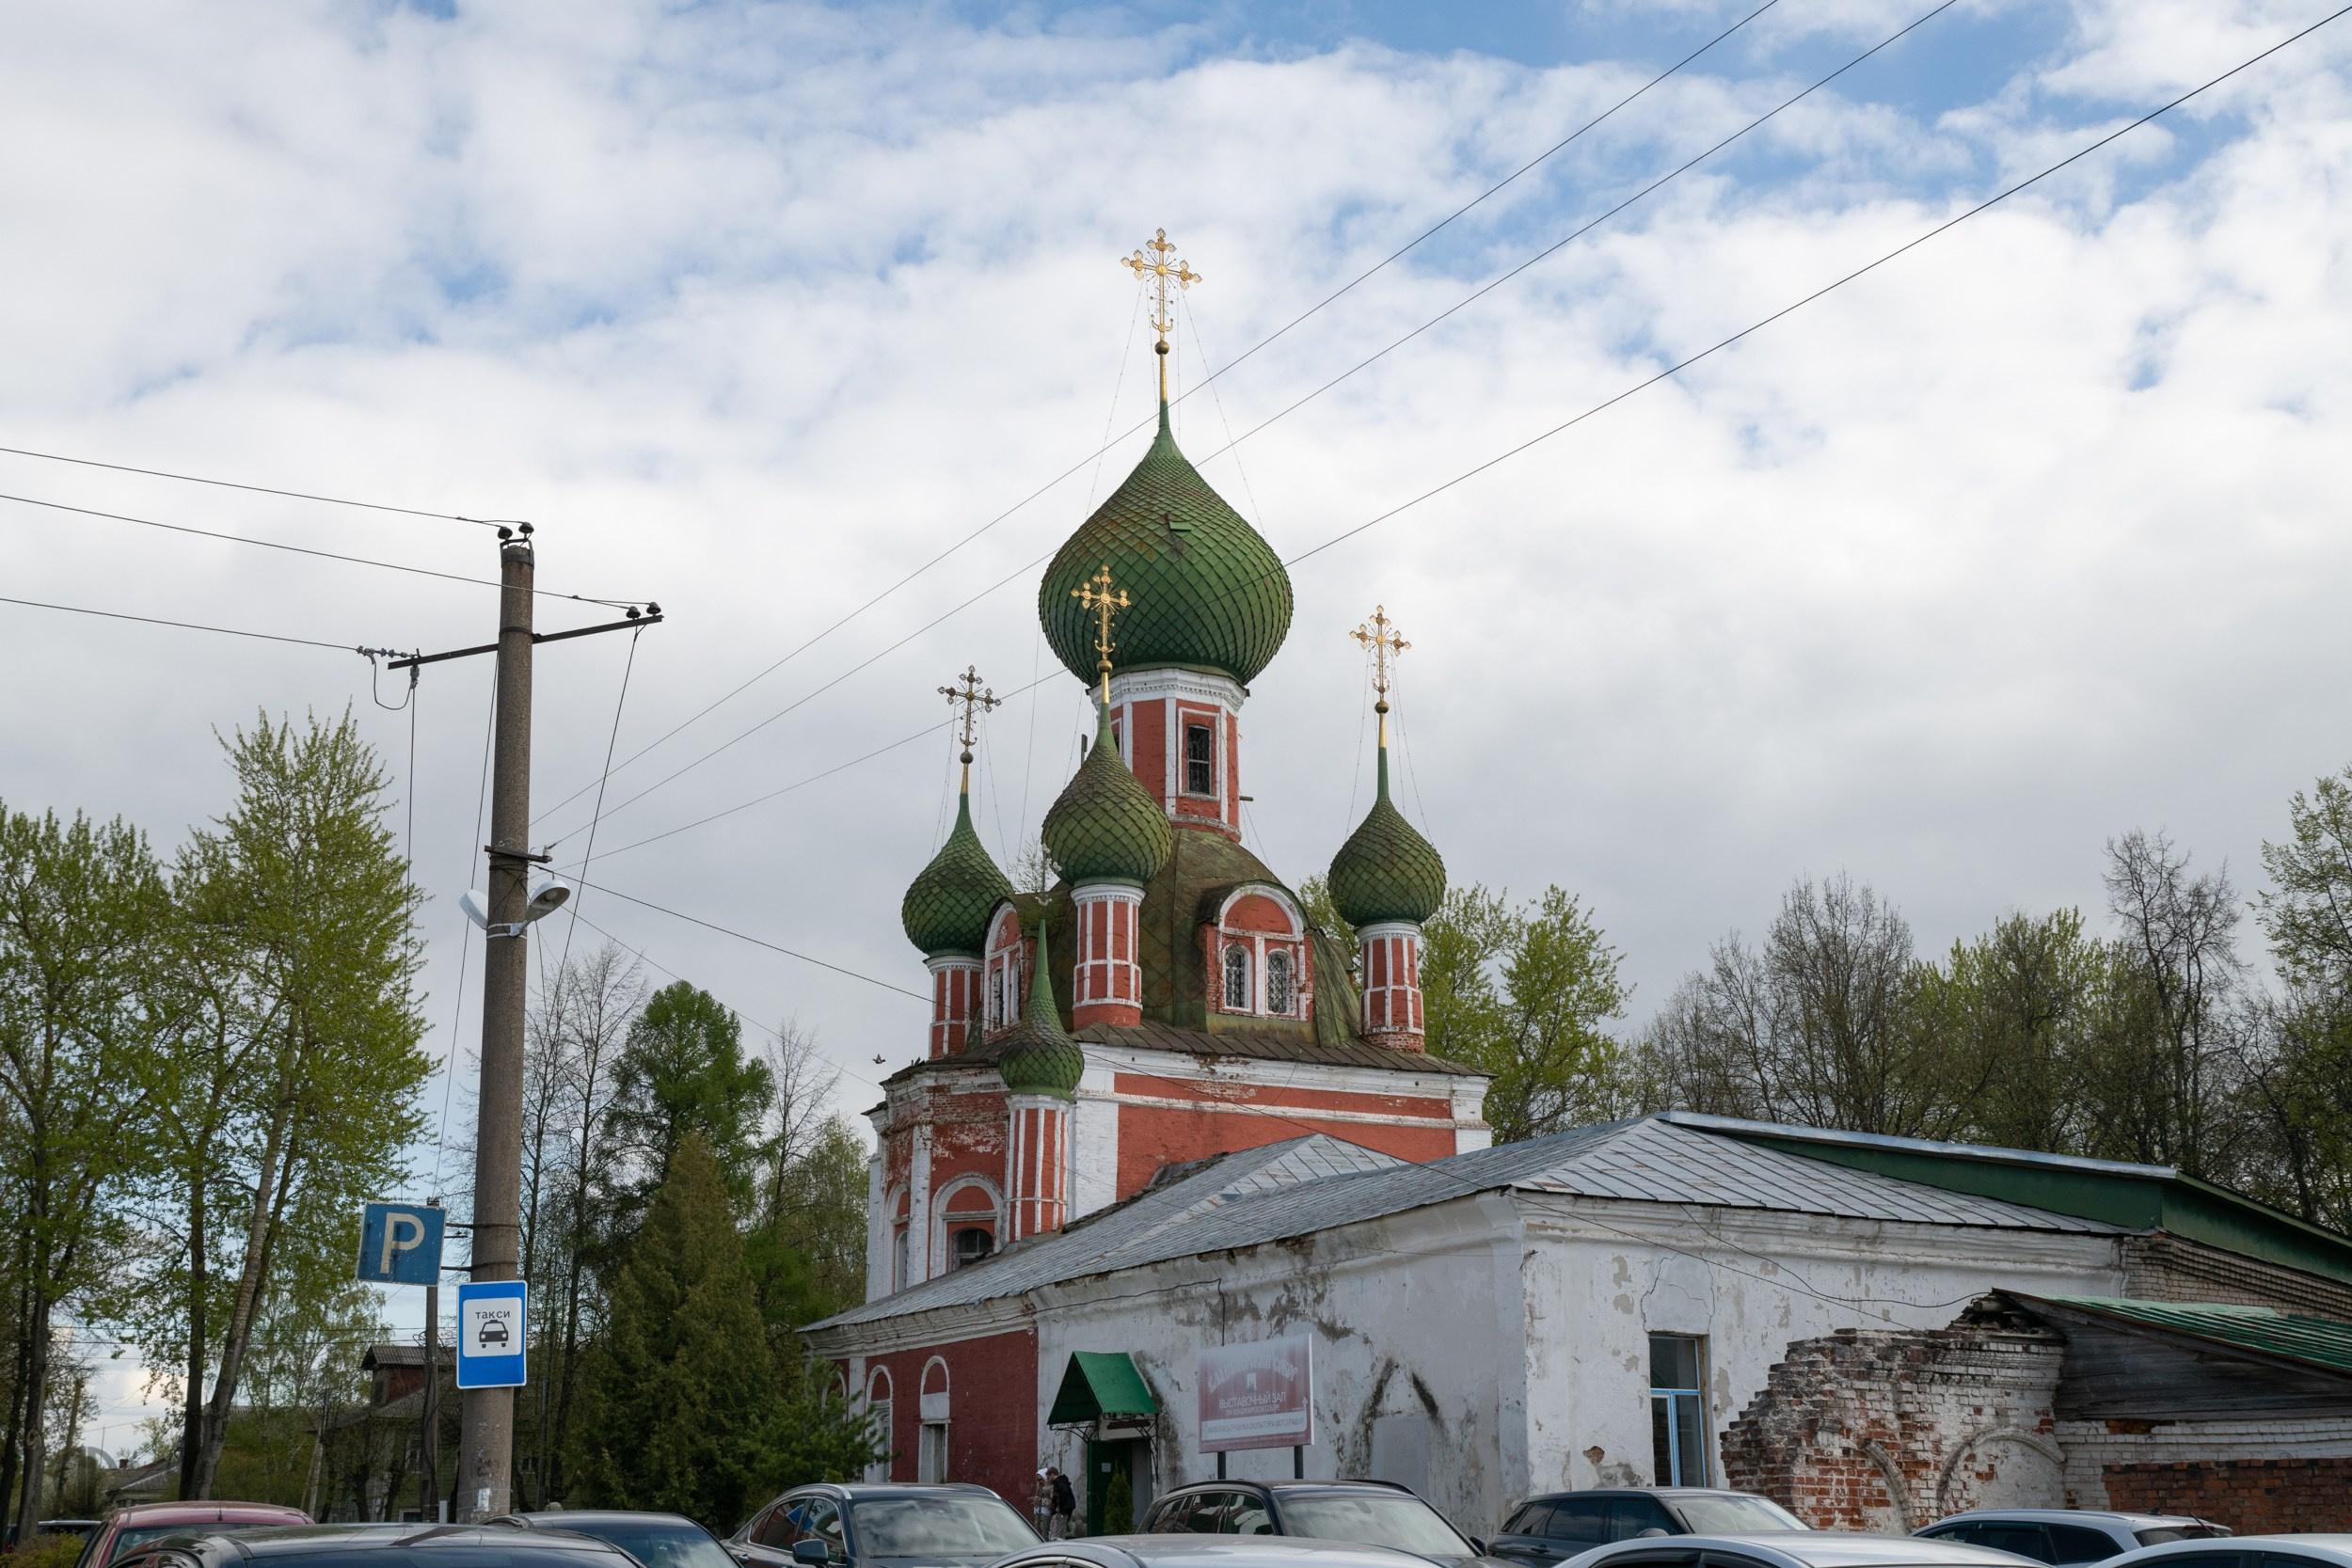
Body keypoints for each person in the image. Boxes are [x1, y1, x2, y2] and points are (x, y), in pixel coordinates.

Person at [1048, 1468, 1076, 1539]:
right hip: (1065, 1511)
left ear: (1052, 1474)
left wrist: (1059, 1507)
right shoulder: (1062, 1482)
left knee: (1055, 1534)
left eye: (1049, 1476)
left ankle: (1055, 1545)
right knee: (1061, 1533)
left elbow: (1063, 1495)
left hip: (1062, 1511)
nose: (1049, 1479)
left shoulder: (1059, 1483)